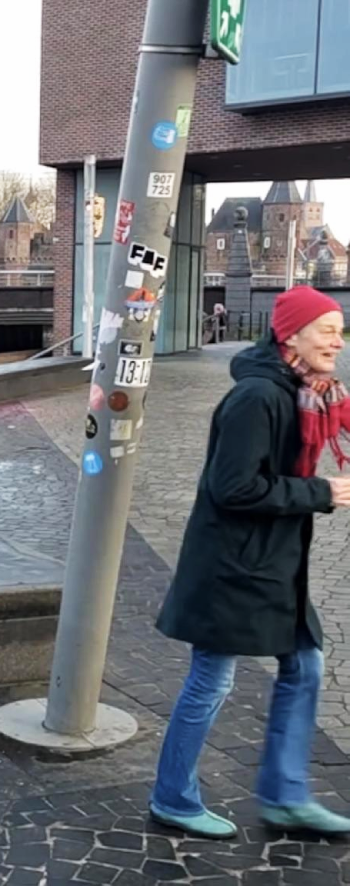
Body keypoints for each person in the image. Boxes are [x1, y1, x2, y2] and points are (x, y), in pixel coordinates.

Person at [150, 285, 350, 839]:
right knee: (211, 679)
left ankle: (286, 797)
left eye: (340, 328)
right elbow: (234, 487)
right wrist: (319, 493)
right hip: (234, 567)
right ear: (291, 334)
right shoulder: (259, 397)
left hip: (272, 564)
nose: (337, 340)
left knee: (305, 665)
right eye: (326, 329)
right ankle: (173, 797)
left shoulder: (301, 389)